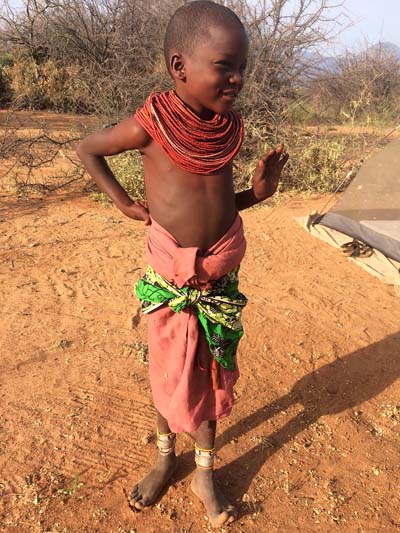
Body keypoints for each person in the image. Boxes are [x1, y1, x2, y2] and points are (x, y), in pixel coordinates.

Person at [77, 1, 288, 528]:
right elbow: (88, 149)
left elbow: (218, 208)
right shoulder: (150, 126)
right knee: (168, 370)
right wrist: (124, 202)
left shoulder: (224, 129)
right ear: (180, 68)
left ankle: (204, 471)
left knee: (211, 371)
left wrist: (256, 195)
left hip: (218, 278)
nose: (237, 77)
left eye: (242, 67)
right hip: (170, 276)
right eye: (225, 65)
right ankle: (165, 456)